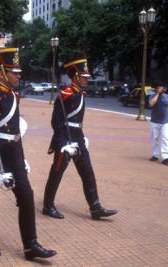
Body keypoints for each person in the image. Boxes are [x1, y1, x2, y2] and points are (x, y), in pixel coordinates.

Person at [0, 48, 56, 261]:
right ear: (1, 73)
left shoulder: (13, 95)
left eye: (18, 72)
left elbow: (15, 130)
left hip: (14, 153)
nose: (19, 75)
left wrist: (21, 157)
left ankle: (31, 245)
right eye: (14, 72)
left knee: (26, 195)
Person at [43, 54, 117, 220]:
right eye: (83, 77)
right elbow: (56, 122)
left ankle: (95, 207)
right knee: (57, 172)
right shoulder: (65, 95)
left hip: (78, 137)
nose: (86, 80)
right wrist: (63, 144)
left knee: (87, 172)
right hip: (66, 139)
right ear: (76, 77)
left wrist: (81, 138)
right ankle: (48, 205)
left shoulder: (80, 93)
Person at [148, 81, 168, 166]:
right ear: (156, 89)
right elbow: (151, 104)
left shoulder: (167, 97)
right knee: (154, 139)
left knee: (165, 138)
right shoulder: (152, 96)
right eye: (160, 87)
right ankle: (155, 155)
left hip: (165, 122)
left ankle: (165, 157)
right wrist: (158, 94)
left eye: (162, 87)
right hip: (154, 122)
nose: (162, 89)